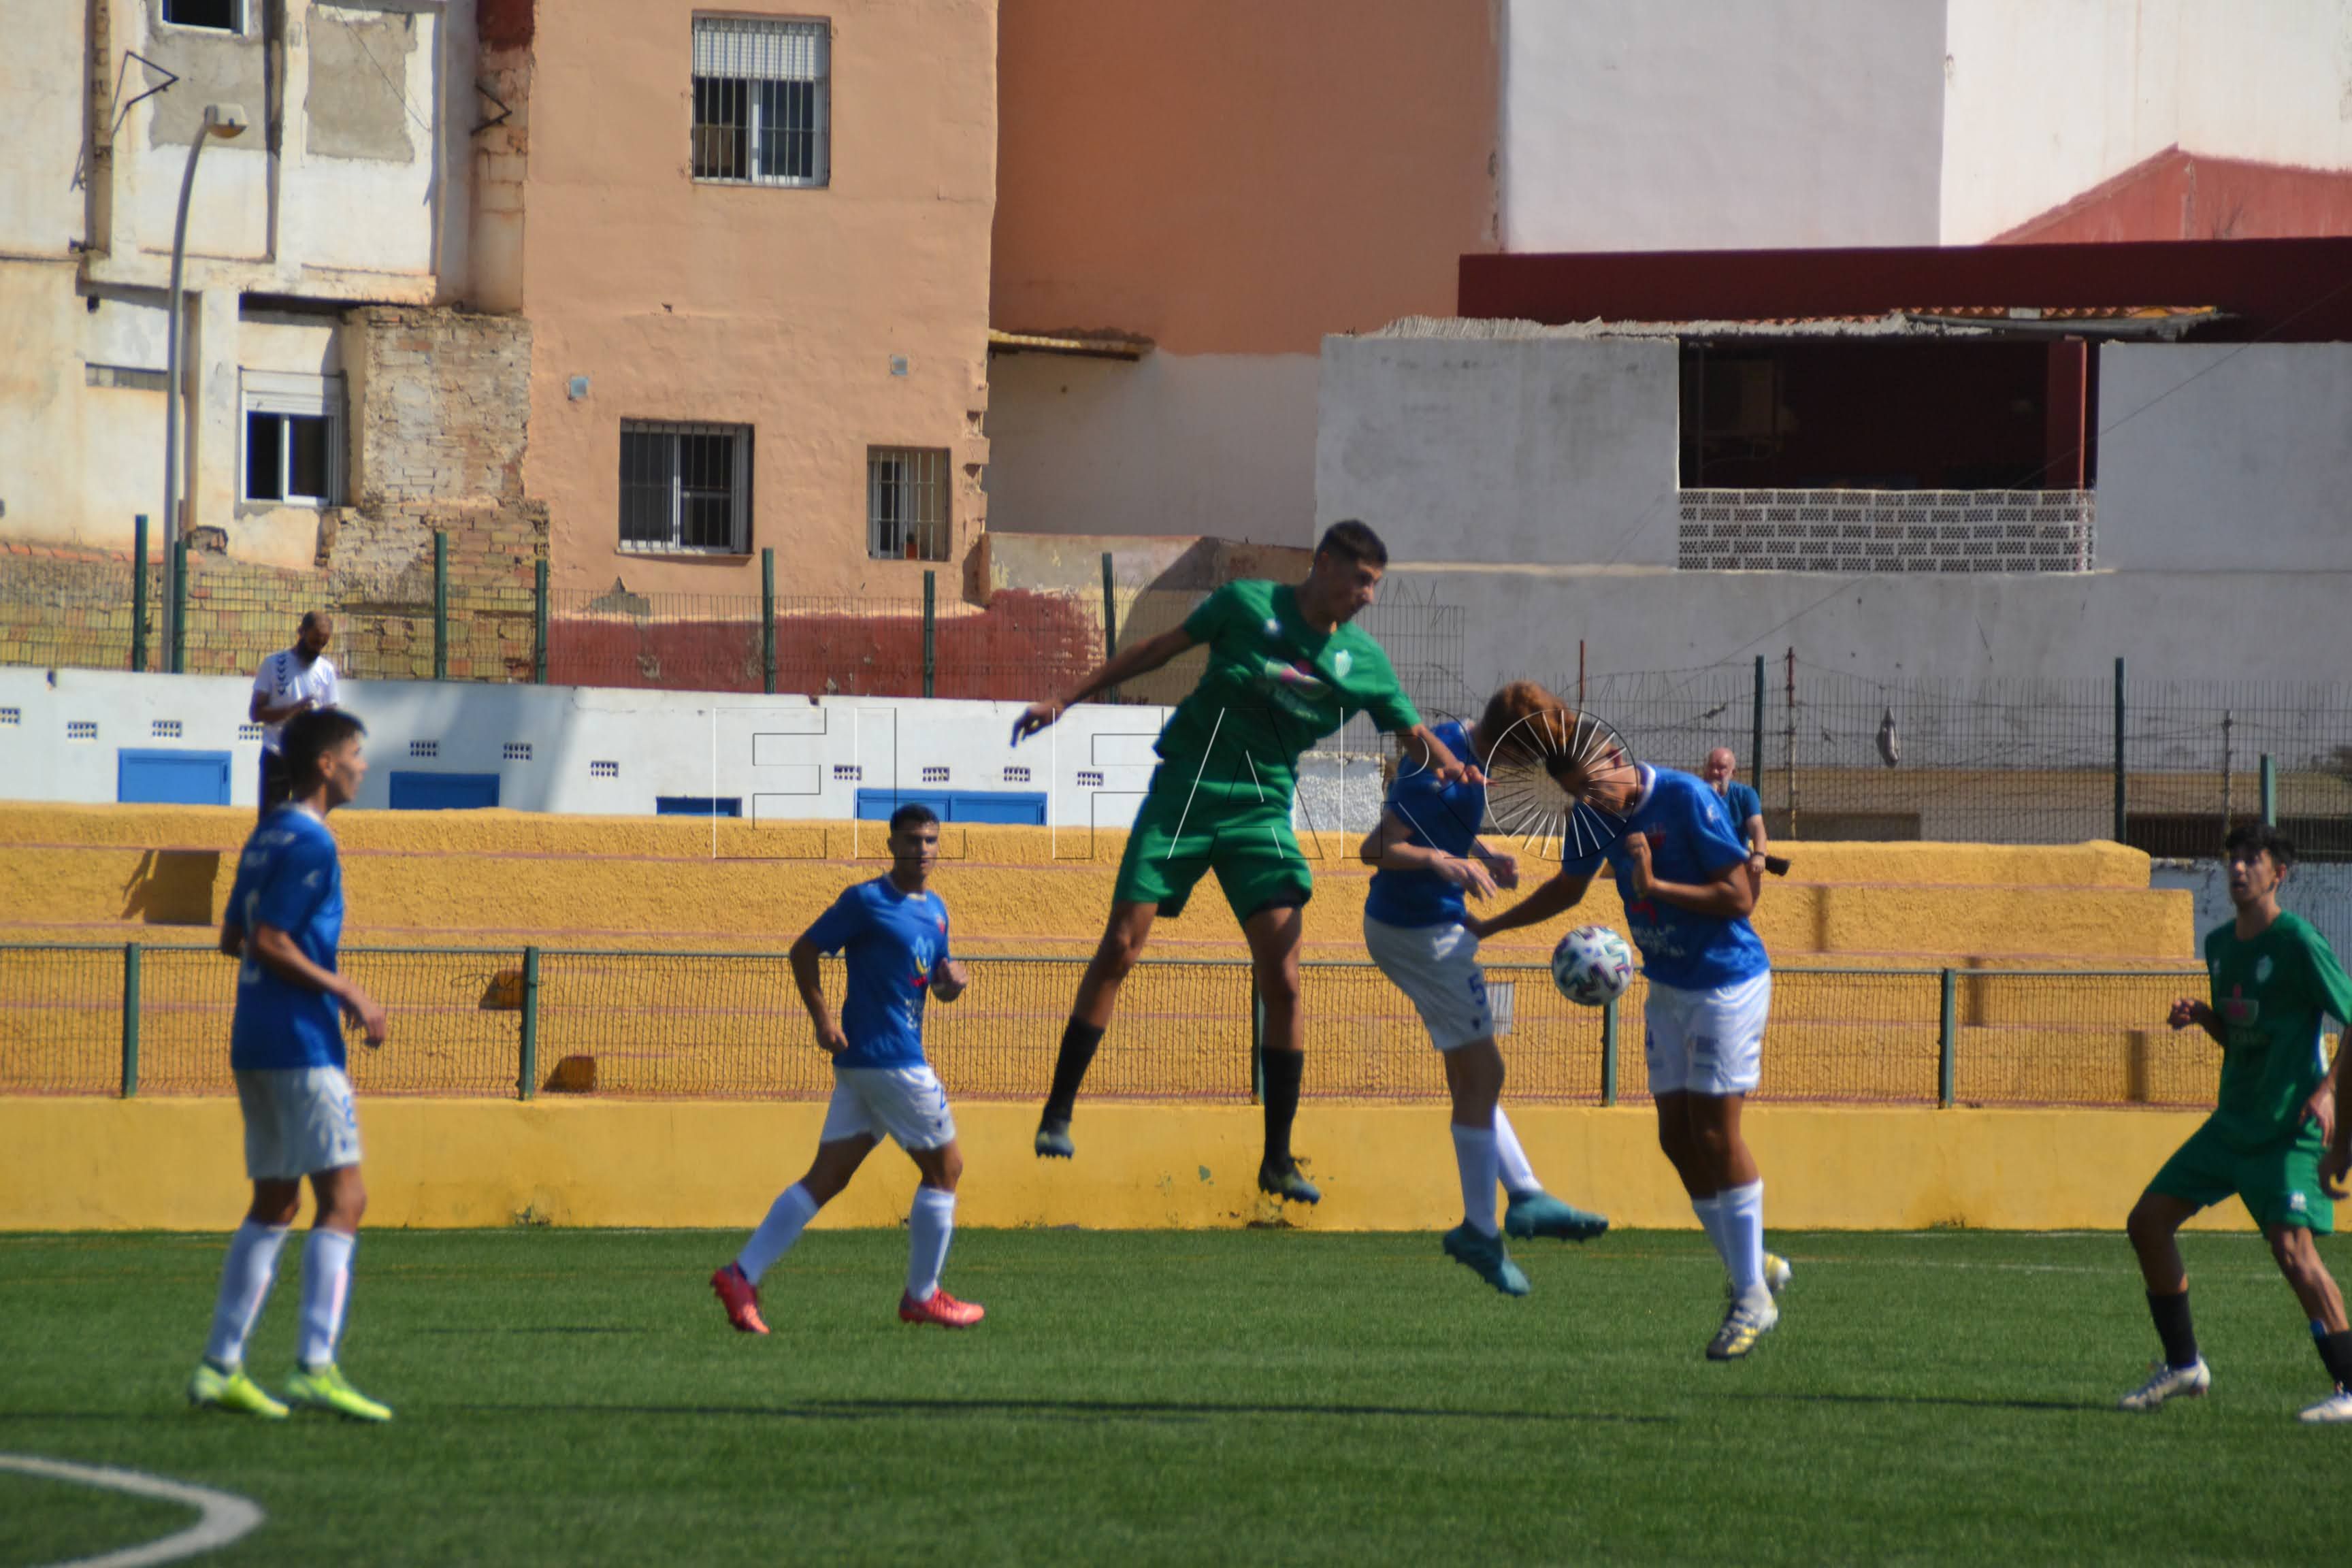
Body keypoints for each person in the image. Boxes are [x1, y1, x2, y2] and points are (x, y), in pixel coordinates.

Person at [1013, 521, 1475, 1205]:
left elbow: (1410, 733)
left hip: (1261, 811)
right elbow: (1155, 650)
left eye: (1375, 586)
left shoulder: (1364, 661)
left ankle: (1278, 1160)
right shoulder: (1244, 604)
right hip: (1188, 794)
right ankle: (1058, 1110)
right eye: (1360, 582)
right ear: (1322, 566)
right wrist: (1066, 698)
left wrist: (1447, 764)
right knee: (1121, 945)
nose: (1367, 598)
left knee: (1285, 979)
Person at [1469, 721, 1786, 1358]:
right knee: (1676, 1136)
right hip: (1667, 987)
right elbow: (1567, 887)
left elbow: (1741, 896)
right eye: (1573, 795)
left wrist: (1655, 885)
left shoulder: (1687, 798)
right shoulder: (1592, 818)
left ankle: (1752, 1294)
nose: (1590, 800)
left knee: (1716, 1133)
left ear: (1615, 757)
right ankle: (1753, 1261)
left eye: (1592, 785)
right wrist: (1493, 927)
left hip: (1726, 983)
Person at [1358, 680, 1610, 1296]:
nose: (1529, 774)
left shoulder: (1462, 754)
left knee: (1471, 1079)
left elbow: (1435, 827)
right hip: (1420, 932)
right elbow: (1378, 847)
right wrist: (1447, 864)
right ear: (1507, 745)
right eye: (1529, 762)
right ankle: (1488, 1222)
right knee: (1486, 1074)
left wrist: (1481, 851)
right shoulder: (1438, 772)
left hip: (1422, 927)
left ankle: (1520, 1199)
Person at [189, 707, 391, 1422]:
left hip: (253, 1038)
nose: (364, 765)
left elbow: (231, 939)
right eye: (357, 754)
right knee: (346, 1199)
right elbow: (269, 939)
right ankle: (315, 1364)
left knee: (275, 1202)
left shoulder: (265, 831)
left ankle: (220, 1365)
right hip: (303, 1044)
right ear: (327, 766)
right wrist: (349, 991)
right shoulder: (312, 843)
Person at [712, 804, 983, 1333]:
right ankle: (922, 1296)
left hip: (868, 1067)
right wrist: (821, 1018)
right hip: (890, 1060)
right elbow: (804, 950)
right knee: (946, 1169)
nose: (921, 850)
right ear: (891, 845)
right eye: (911, 841)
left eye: (930, 841)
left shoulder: (937, 911)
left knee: (827, 1178)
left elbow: (933, 983)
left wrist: (952, 982)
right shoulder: (867, 900)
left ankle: (741, 1275)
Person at [2118, 823, 2352, 1422]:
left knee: (2293, 1251)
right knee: (2147, 1222)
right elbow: (2241, 1034)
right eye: (2234, 859)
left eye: (2253, 860)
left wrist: (2328, 1093)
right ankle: (2184, 1365)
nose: (2239, 869)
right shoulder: (2220, 945)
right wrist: (2203, 1016)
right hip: (2232, 1125)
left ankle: (2350, 1387)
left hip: (2287, 1125)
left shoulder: (2298, 943)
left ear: (2280, 873)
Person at [251, 613, 340, 821]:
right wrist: (293, 711)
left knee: (308, 825)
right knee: (273, 825)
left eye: (323, 644)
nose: (317, 648)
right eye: (313, 641)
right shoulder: (273, 665)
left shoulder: (326, 671)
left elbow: (331, 719)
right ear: (301, 632)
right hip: (277, 756)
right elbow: (256, 713)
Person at [1699, 747, 1768, 880]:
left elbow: (1756, 826)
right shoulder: (1694, 793)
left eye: (1721, 768)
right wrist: (1711, 799)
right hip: (1702, 862)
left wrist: (1759, 855)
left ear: (1732, 773)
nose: (1714, 772)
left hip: (1735, 863)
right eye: (1711, 767)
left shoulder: (1746, 795)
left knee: (1753, 872)